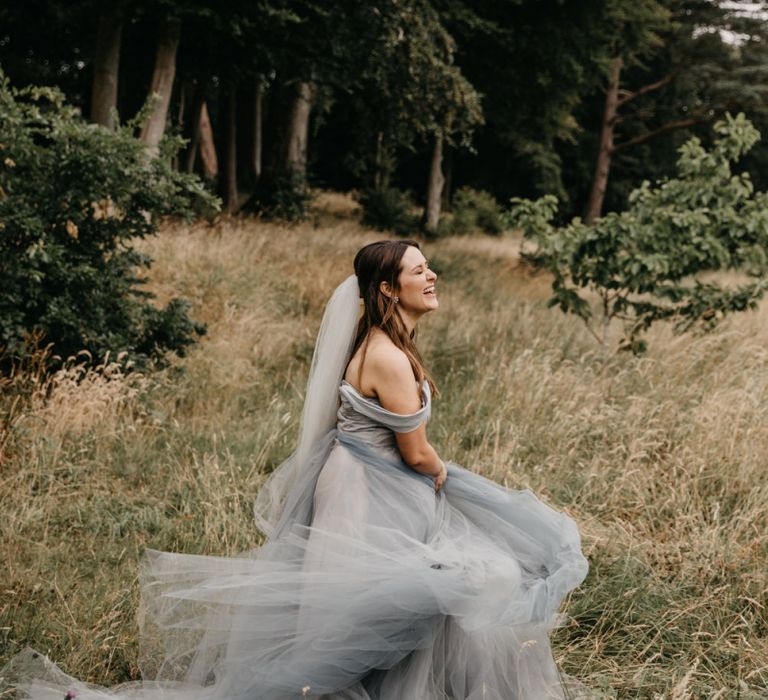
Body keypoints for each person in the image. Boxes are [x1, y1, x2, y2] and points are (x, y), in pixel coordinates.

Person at [4, 239, 589, 699]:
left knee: (387, 601)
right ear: (388, 288)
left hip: (361, 480)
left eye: (429, 265)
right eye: (418, 271)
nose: (431, 276)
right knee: (393, 604)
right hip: (372, 491)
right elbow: (415, 452)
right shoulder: (386, 354)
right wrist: (443, 475)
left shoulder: (385, 342)